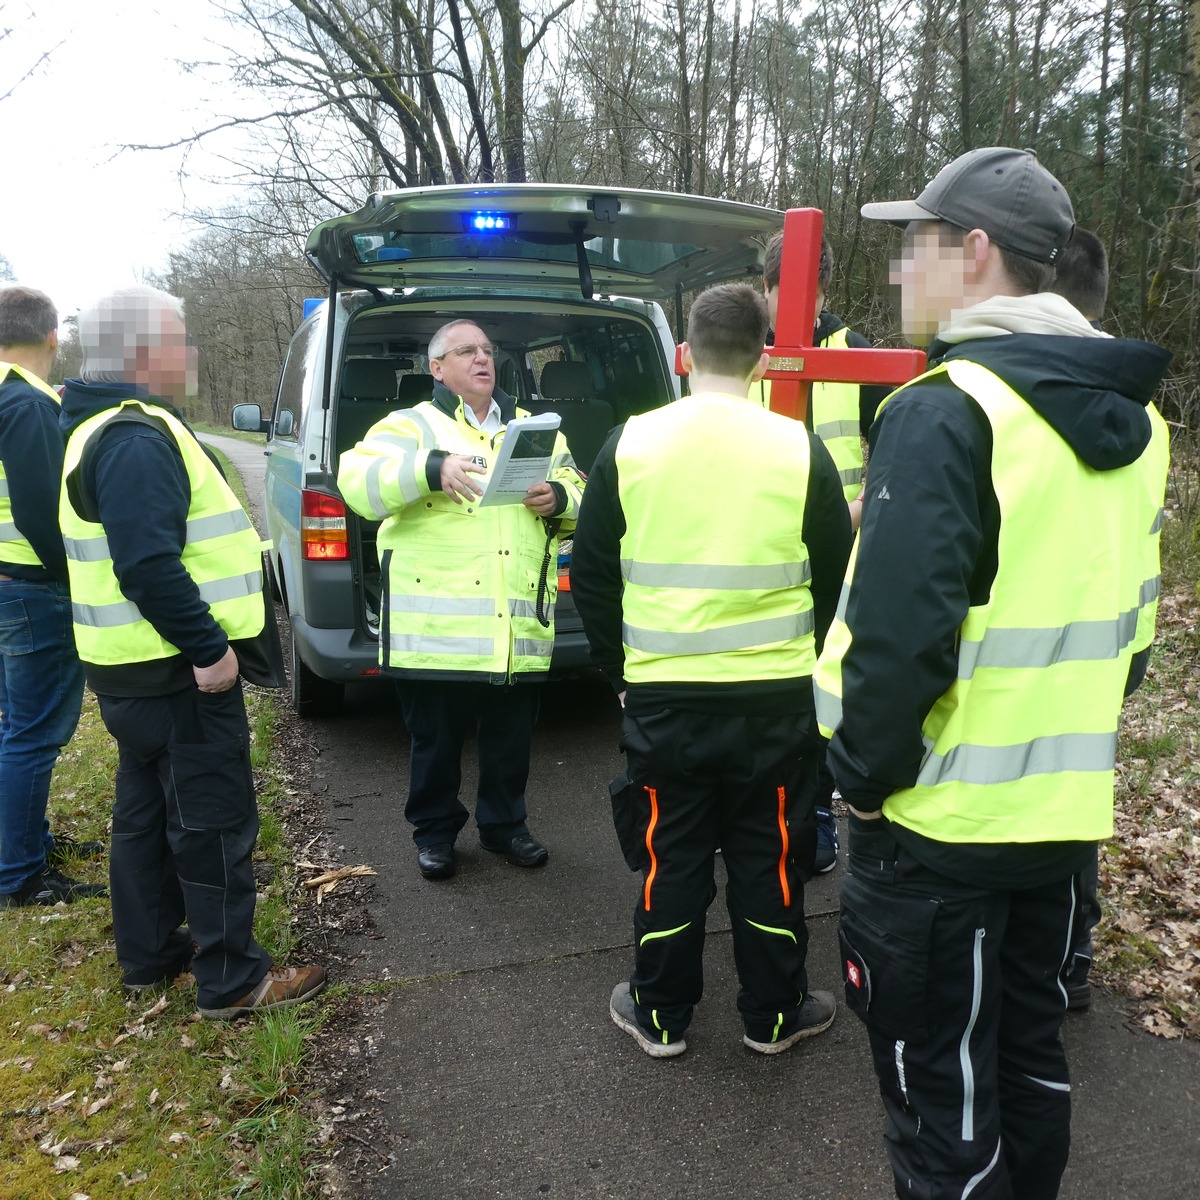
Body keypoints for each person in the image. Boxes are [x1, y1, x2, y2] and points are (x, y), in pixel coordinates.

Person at [813, 148, 1170, 1198]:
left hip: (938, 835)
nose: (896, 274)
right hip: (1059, 825)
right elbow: (1133, 641)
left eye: (911, 247)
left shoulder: (946, 409)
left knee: (941, 1109)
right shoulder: (1139, 424)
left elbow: (895, 646)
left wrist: (863, 783)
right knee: (1028, 1069)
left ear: (972, 254)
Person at [571, 282, 853, 1058]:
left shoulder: (630, 444)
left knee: (673, 858)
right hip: (777, 705)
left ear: (684, 354)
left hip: (665, 701)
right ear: (762, 358)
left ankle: (659, 1014)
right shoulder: (799, 448)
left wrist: (620, 672)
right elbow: (836, 579)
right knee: (773, 861)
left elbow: (590, 574)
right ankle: (774, 1015)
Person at [59, 285, 325, 1017]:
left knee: (145, 816)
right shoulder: (137, 437)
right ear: (146, 353)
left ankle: (149, 956)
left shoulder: (93, 429)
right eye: (181, 339)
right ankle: (235, 980)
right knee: (211, 822)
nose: (194, 353)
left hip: (132, 673)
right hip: (179, 673)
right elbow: (146, 563)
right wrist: (209, 648)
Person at [337, 319, 584, 882]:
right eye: (466, 351)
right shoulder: (409, 425)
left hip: (514, 624)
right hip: (435, 629)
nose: (482, 359)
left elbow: (583, 490)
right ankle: (435, 835)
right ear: (438, 368)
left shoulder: (535, 430)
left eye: (488, 351)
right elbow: (357, 482)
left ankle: (505, 827)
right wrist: (431, 468)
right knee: (435, 745)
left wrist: (559, 497)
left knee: (510, 742)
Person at [758, 234, 890, 875]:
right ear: (764, 289)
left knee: (818, 691)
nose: (794, 321)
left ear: (825, 295)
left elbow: (893, 454)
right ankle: (758, 813)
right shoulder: (742, 353)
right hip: (754, 553)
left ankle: (813, 817)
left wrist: (850, 515)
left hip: (834, 555)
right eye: (783, 302)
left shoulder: (856, 356)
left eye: (806, 305)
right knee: (762, 684)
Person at [0, 286, 105, 909]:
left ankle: (27, 843)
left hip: (6, 583)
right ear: (52, 336)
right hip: (33, 590)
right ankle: (20, 875)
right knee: (34, 734)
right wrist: (80, 578)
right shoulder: (28, 404)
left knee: (16, 726)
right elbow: (45, 512)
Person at [1049, 226, 1114, 1011]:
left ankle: (1058, 957)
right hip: (1096, 655)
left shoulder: (1015, 389)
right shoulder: (1135, 402)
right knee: (1074, 812)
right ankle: (1073, 957)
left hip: (1018, 649)